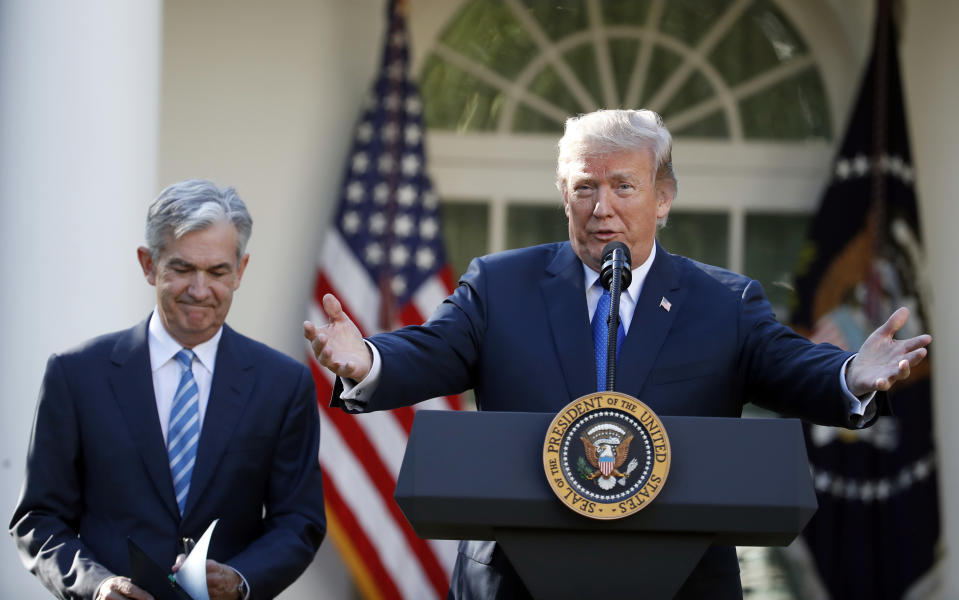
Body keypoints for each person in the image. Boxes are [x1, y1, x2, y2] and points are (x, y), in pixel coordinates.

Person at [303, 109, 930, 599]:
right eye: (584, 187)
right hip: (514, 579)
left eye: (623, 186)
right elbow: (429, 351)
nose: (602, 208)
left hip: (679, 580)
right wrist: (368, 361)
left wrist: (852, 374)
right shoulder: (500, 286)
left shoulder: (722, 300)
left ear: (663, 198)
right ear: (564, 195)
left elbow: (791, 367)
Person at [10, 180, 326, 600]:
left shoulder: (283, 384)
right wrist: (97, 586)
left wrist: (241, 579)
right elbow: (39, 518)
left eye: (217, 272)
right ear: (147, 264)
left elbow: (298, 521)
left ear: (241, 271)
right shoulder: (76, 375)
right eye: (181, 269)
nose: (199, 290)